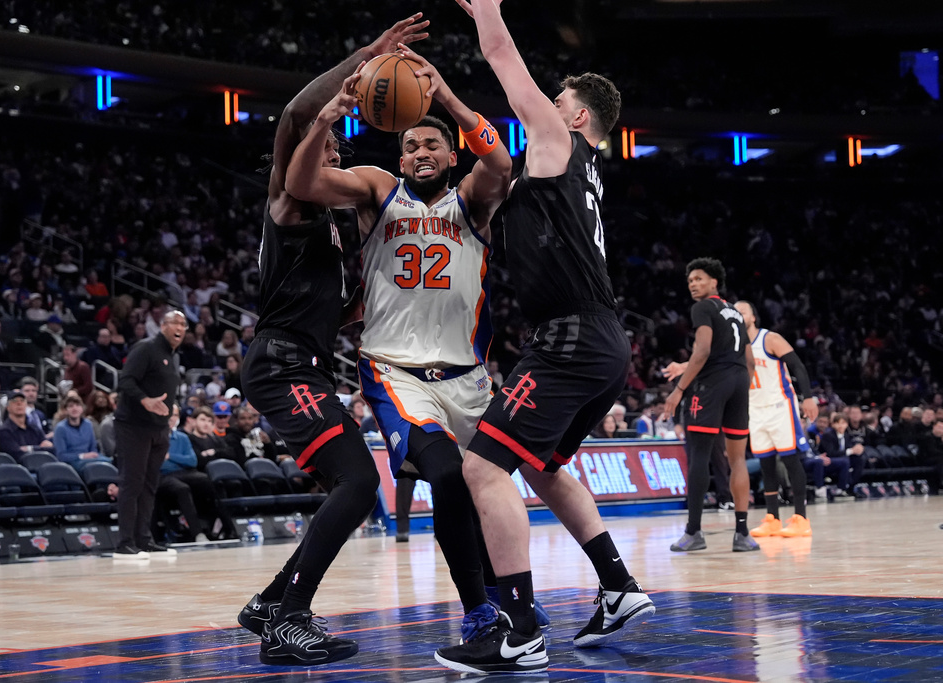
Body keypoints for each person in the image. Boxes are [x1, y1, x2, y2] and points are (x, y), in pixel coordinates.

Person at [434, 2, 654, 673]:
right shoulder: (575, 169)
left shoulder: (560, 142)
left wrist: (490, 9)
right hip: (602, 338)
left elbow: (503, 61)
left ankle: (521, 629)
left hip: (571, 338)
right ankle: (617, 583)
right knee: (544, 464)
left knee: (482, 465)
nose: (547, 103)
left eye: (558, 98)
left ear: (578, 114)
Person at [286, 43, 513, 639]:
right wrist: (328, 118)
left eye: (430, 143)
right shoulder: (379, 190)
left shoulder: (473, 201)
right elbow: (303, 181)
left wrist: (445, 99)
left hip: (468, 377)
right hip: (395, 370)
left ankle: (501, 597)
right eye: (409, 145)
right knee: (442, 474)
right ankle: (478, 612)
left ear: (450, 151)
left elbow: (502, 164)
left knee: (483, 490)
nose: (418, 153)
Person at [234, 14, 429, 667]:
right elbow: (294, 113)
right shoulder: (286, 206)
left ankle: (270, 602)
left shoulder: (330, 230)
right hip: (282, 363)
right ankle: (290, 617)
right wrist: (366, 58)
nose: (333, 158)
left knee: (348, 486)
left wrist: (369, 306)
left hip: (303, 362)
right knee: (356, 482)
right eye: (325, 151)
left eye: (340, 154)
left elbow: (335, 311)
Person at [661, 258, 758, 553]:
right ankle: (742, 534)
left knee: (699, 456)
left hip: (711, 385)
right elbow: (750, 360)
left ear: (714, 282)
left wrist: (678, 390)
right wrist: (739, 386)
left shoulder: (703, 308)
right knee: (737, 459)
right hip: (740, 381)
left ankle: (693, 533)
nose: (693, 284)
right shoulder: (735, 312)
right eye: (690, 280)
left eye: (699, 279)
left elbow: (702, 350)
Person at [734, 301, 819, 539]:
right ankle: (772, 519)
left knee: (791, 460)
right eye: (735, 311)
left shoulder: (769, 339)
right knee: (766, 463)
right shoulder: (734, 345)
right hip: (755, 409)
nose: (739, 315)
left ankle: (801, 518)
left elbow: (798, 367)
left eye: (743, 311)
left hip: (780, 406)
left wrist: (808, 399)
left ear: (753, 317)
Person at [113, 310, 186, 560]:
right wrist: (145, 400)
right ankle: (125, 543)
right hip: (133, 426)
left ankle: (144, 539)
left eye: (184, 324)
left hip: (159, 428)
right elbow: (125, 381)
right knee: (131, 483)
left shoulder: (172, 356)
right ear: (163, 326)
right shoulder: (146, 348)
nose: (180, 327)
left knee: (149, 485)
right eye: (175, 322)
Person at [157, 404, 217, 543]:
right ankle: (198, 534)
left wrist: (170, 456)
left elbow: (192, 461)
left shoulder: (182, 437)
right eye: (170, 414)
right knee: (182, 488)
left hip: (183, 473)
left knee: (208, 481)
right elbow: (161, 465)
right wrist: (177, 461)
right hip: (161, 476)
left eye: (176, 415)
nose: (172, 418)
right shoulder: (156, 437)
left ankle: (220, 527)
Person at [53, 394, 112, 473]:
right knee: (100, 466)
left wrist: (92, 455)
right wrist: (82, 456)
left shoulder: (88, 424)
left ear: (82, 408)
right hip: (73, 463)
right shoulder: (60, 428)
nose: (74, 408)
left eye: (77, 405)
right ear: (66, 410)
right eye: (71, 406)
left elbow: (93, 447)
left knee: (112, 462)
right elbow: (61, 456)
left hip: (91, 459)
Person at [0, 391, 54, 458]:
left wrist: (28, 448)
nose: (19, 403)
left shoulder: (34, 428)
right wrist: (39, 448)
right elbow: (16, 454)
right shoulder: (4, 431)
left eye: (22, 400)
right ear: (8, 407)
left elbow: (50, 449)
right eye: (14, 401)